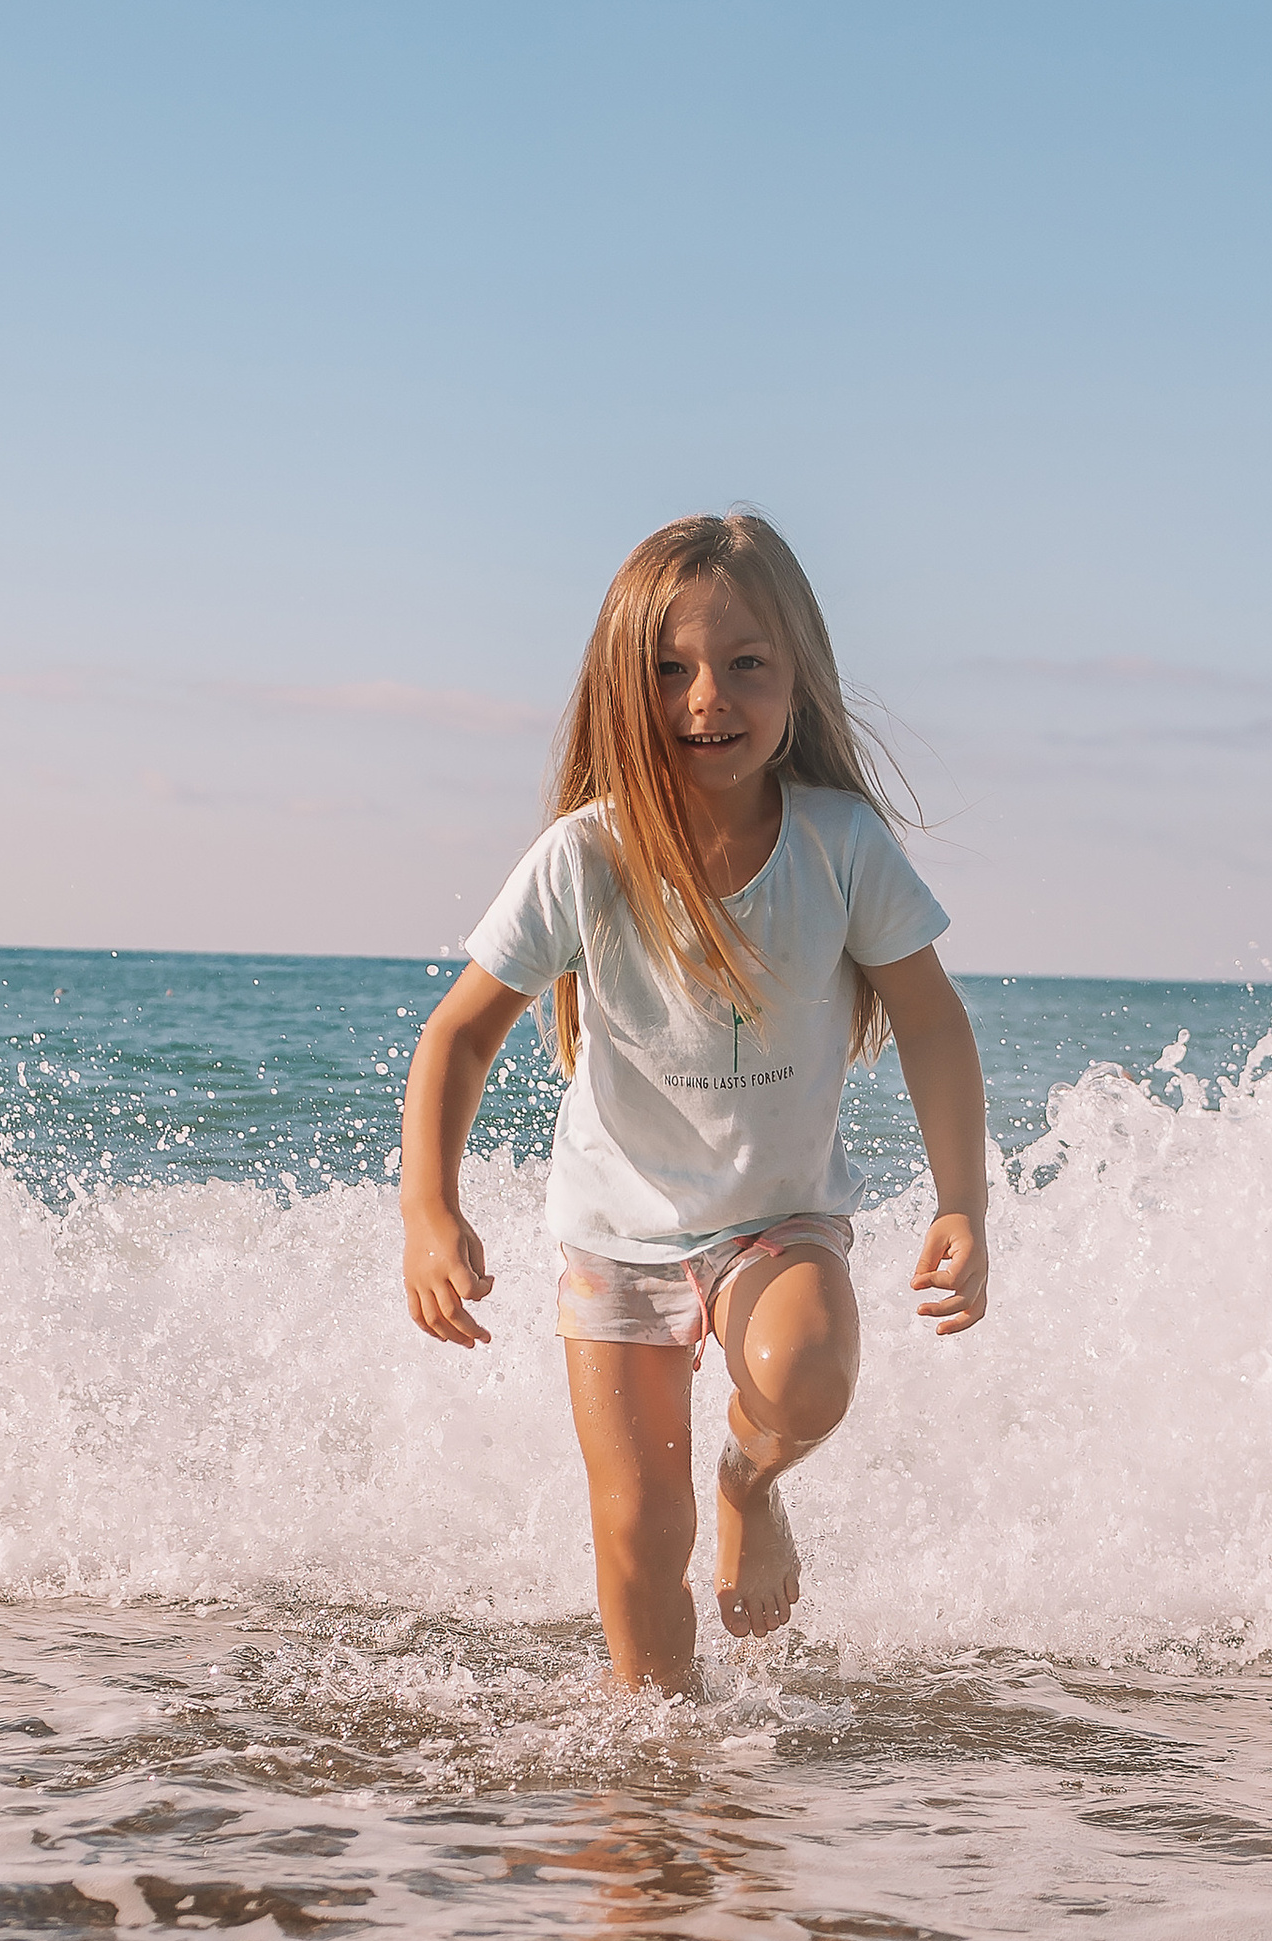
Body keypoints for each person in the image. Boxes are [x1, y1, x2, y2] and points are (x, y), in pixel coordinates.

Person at [399, 509, 989, 1693]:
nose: (706, 697)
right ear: (622, 687)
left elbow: (930, 1021)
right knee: (638, 1531)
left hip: (777, 1219)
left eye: (744, 663)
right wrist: (429, 1209)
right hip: (616, 1235)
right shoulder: (587, 856)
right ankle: (655, 1756)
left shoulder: (839, 846)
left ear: (797, 679)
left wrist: (961, 1203)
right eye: (669, 670)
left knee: (805, 1377)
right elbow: (459, 1034)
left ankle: (748, 1482)